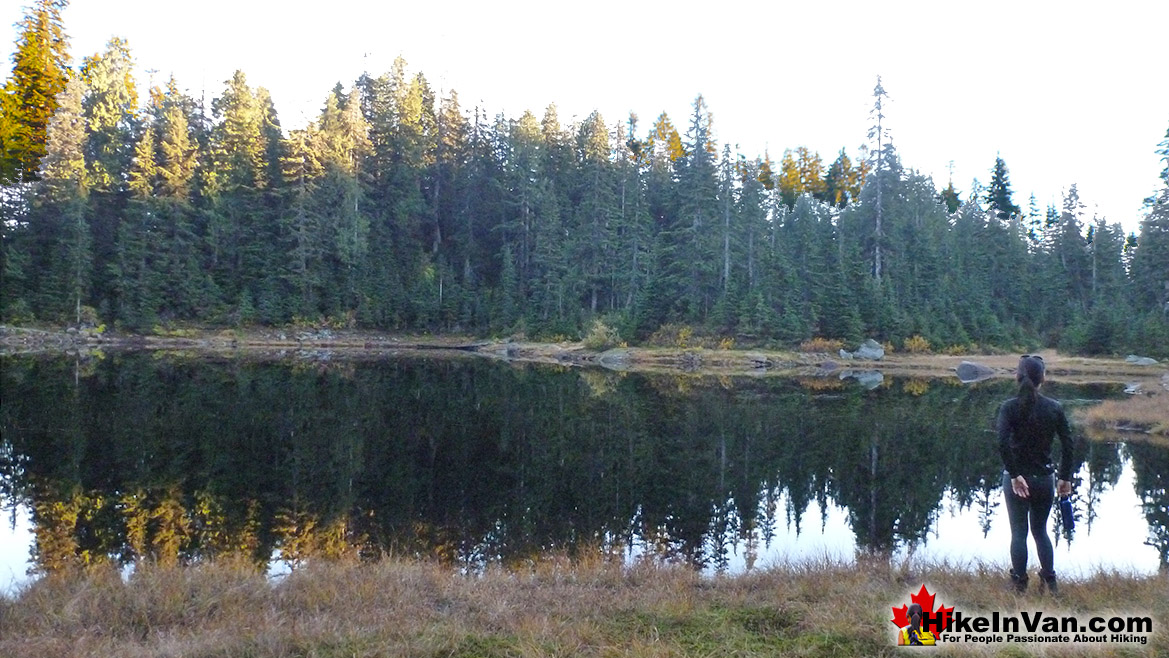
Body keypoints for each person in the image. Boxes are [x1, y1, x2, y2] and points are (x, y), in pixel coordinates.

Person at [996, 354, 1074, 594]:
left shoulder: (1008, 407)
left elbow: (1001, 442)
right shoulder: (1054, 407)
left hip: (1017, 481)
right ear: (1043, 378)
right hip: (1044, 480)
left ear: (1017, 377)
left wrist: (1014, 474)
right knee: (1040, 531)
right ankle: (1050, 581)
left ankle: (1019, 583)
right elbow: (1068, 443)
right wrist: (1064, 478)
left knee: (1018, 533)